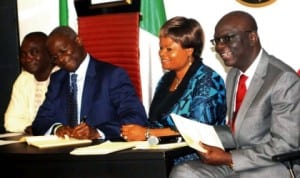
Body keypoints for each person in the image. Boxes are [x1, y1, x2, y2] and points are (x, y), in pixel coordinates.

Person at [169, 11, 300, 178]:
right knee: (183, 172)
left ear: (252, 37)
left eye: (227, 38)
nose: (219, 46)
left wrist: (229, 157)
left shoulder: (283, 79)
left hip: (275, 165)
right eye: (216, 41)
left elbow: (286, 145)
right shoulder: (233, 76)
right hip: (240, 161)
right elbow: (237, 131)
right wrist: (199, 134)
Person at [121, 16, 226, 163]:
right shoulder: (165, 80)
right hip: (161, 155)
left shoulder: (207, 81)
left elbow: (199, 132)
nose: (162, 53)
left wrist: (146, 133)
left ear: (189, 50)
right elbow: (154, 123)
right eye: (161, 47)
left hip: (195, 160)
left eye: (169, 49)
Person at [31, 26, 147, 140]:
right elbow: (40, 121)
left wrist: (97, 132)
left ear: (78, 41)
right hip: (64, 155)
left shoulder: (112, 75)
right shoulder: (57, 79)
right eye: (55, 57)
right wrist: (57, 128)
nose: (61, 59)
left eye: (64, 51)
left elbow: (136, 117)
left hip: (101, 154)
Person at [4, 32, 58, 134]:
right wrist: (34, 127)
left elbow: (62, 121)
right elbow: (10, 121)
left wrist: (38, 127)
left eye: (34, 52)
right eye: (23, 54)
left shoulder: (62, 77)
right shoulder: (23, 79)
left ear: (49, 54)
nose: (27, 58)